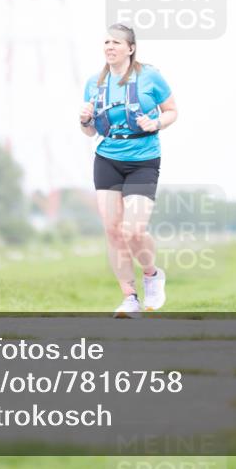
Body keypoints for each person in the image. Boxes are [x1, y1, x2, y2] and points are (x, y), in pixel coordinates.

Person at [79, 23, 178, 318]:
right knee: (112, 230)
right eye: (106, 42)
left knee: (133, 230)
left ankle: (152, 275)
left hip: (143, 160)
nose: (109, 47)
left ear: (130, 48)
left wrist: (157, 123)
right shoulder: (94, 84)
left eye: (116, 43)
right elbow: (89, 132)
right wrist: (84, 120)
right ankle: (130, 299)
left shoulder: (150, 77)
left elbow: (172, 110)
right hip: (107, 158)